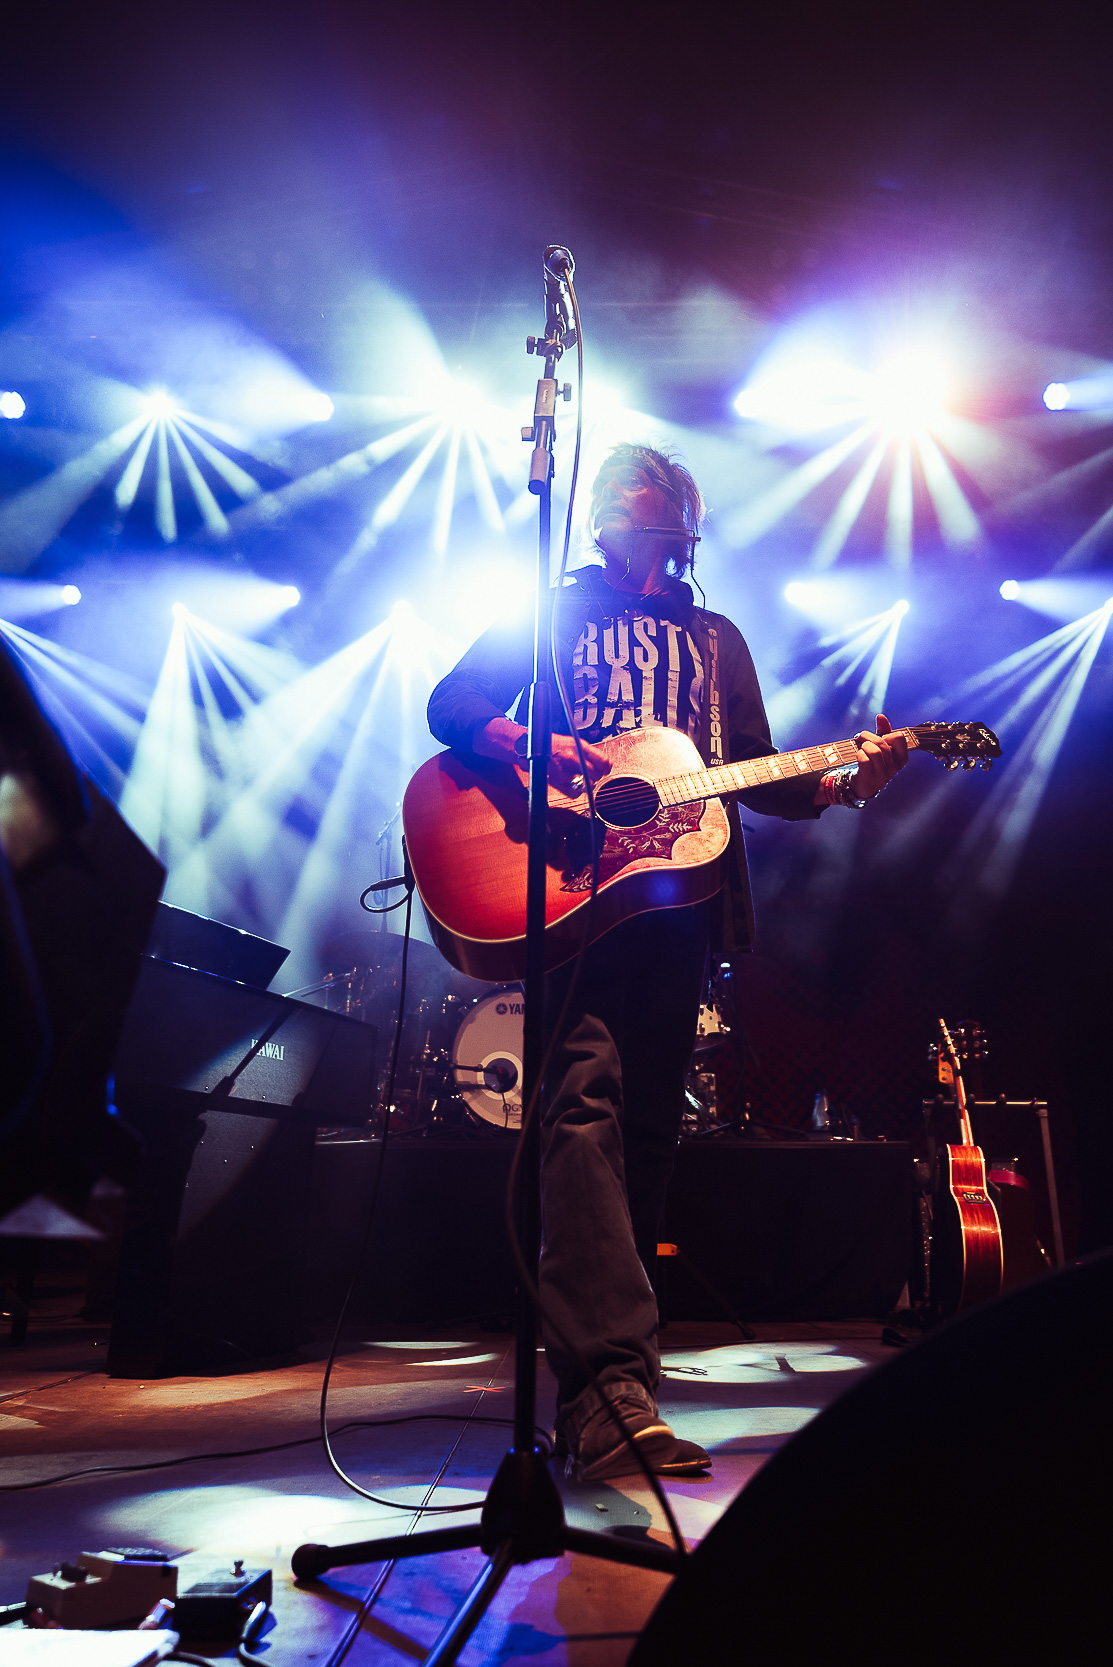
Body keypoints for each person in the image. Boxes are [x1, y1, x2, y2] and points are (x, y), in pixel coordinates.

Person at [427, 443, 908, 1481]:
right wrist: (533, 746)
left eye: (670, 531)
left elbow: (755, 773)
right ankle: (606, 1391)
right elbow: (452, 703)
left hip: (676, 904)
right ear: (602, 522)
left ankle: (615, 1387)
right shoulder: (552, 611)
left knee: (647, 1133)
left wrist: (847, 782)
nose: (653, 549)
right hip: (568, 885)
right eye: (638, 526)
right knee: (582, 1106)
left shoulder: (714, 638)